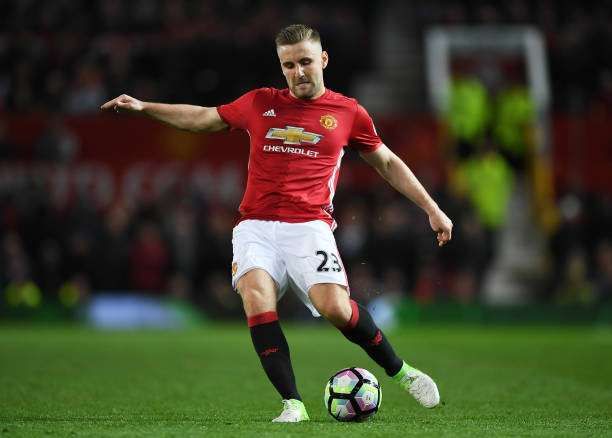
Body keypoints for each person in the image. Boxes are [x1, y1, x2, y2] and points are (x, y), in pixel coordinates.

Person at [101, 24, 453, 423]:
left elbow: (387, 162)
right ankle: (293, 404)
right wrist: (146, 107)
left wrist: (432, 208)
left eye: (305, 61)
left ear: (323, 60)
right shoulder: (260, 103)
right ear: (281, 67)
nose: (299, 71)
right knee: (256, 298)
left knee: (335, 308)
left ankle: (400, 371)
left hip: (310, 226)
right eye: (289, 65)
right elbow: (202, 118)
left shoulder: (348, 112)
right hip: (255, 225)